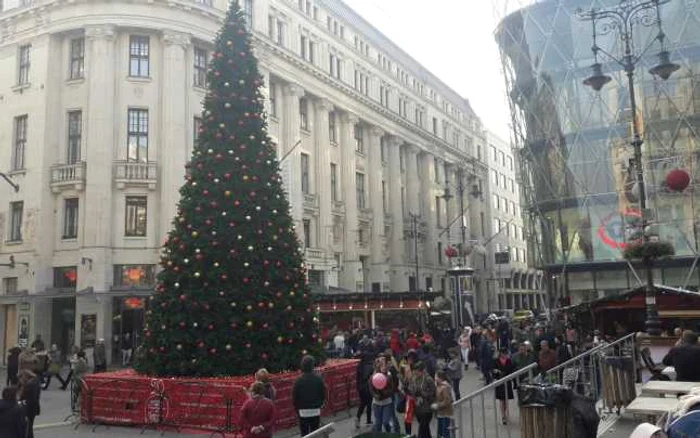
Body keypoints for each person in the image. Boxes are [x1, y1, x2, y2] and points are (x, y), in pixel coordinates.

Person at [292, 355, 326, 436]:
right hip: (315, 410)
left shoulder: (298, 381)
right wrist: (320, 404)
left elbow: (295, 398)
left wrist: (298, 409)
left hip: (303, 411)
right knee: (315, 433)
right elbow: (323, 395)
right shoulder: (318, 379)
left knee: (304, 434)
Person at [409, 361, 436, 438]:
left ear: (422, 370)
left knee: (421, 429)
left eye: (417, 371)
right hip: (418, 407)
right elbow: (411, 389)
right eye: (414, 371)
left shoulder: (428, 379)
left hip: (427, 409)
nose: (415, 373)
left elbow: (433, 393)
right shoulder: (414, 378)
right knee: (425, 429)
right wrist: (412, 391)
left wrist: (422, 393)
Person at [369, 357, 395, 433]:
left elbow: (391, 389)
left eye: (385, 366)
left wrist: (384, 392)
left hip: (387, 402)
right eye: (382, 366)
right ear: (379, 367)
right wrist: (375, 395)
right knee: (378, 424)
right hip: (376, 403)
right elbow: (371, 388)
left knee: (385, 422)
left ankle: (388, 432)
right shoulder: (374, 376)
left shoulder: (389, 376)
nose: (384, 367)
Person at [493, 347, 515, 425]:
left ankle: (505, 413)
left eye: (505, 353)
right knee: (501, 400)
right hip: (499, 381)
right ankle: (503, 416)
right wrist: (496, 373)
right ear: (500, 353)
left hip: (507, 381)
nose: (504, 354)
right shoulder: (496, 360)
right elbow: (493, 370)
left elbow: (511, 369)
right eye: (503, 353)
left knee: (506, 400)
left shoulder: (509, 361)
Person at [18, 369, 41, 438]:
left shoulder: (29, 385)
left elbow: (27, 398)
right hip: (34, 407)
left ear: (24, 377)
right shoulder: (36, 382)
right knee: (30, 425)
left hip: (28, 408)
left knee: (28, 426)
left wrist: (21, 402)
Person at [354, 352, 374, 429]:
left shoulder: (359, 366)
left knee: (362, 403)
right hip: (368, 388)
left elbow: (357, 378)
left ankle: (357, 418)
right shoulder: (370, 366)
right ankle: (368, 421)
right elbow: (369, 377)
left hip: (360, 388)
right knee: (369, 404)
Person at [432, 370, 453, 438]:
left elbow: (447, 401)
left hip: (445, 413)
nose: (434, 378)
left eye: (436, 376)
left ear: (440, 378)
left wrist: (437, 405)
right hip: (440, 413)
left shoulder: (444, 387)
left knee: (445, 432)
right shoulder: (438, 385)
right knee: (441, 432)